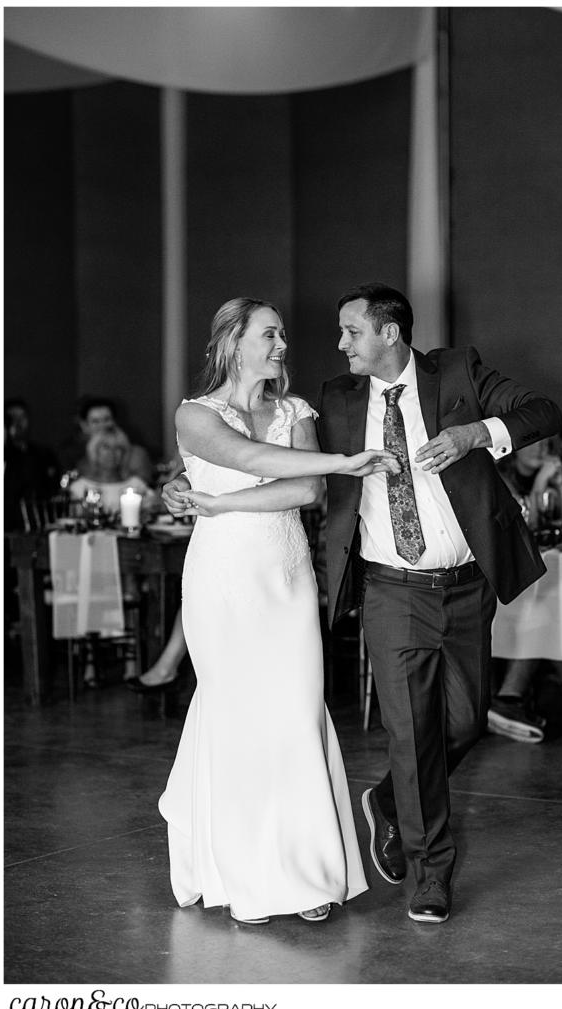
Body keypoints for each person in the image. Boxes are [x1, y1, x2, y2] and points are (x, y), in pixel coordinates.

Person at [164, 282, 562, 925]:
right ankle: (429, 875)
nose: (334, 343)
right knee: (406, 733)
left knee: (462, 721)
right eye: (277, 333)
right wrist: (183, 483)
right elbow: (236, 457)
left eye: (350, 331)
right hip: (384, 588)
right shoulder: (338, 398)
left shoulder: (454, 374)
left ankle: (382, 804)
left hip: (461, 582)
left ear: (389, 334)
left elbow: (542, 411)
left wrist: (473, 436)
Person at [158, 296, 400, 926]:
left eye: (283, 334)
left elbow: (307, 490)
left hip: (286, 575)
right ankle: (245, 877)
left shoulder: (294, 410)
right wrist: (346, 460)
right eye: (269, 334)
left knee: (296, 717)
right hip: (223, 580)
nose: (282, 343)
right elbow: (253, 461)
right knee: (238, 719)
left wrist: (219, 504)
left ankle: (306, 873)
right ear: (232, 342)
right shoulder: (195, 414)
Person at [487, 438, 562, 743]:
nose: (542, 450)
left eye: (546, 444)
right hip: (502, 580)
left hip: (539, 571)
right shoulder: (497, 474)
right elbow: (524, 527)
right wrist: (541, 484)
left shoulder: (552, 472)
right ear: (515, 448)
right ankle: (516, 696)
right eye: (533, 443)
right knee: (555, 596)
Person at [60, 396, 155, 484]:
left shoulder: (137, 454)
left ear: (115, 421)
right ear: (84, 426)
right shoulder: (74, 455)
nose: (103, 426)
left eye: (107, 419)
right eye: (95, 421)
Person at [69, 427, 155, 515]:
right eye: (106, 447)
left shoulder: (137, 485)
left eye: (118, 448)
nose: (112, 453)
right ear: (95, 451)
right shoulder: (80, 487)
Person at [4, 398, 60, 530]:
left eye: (22, 417)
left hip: (38, 521)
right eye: (12, 418)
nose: (18, 423)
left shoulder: (43, 454)